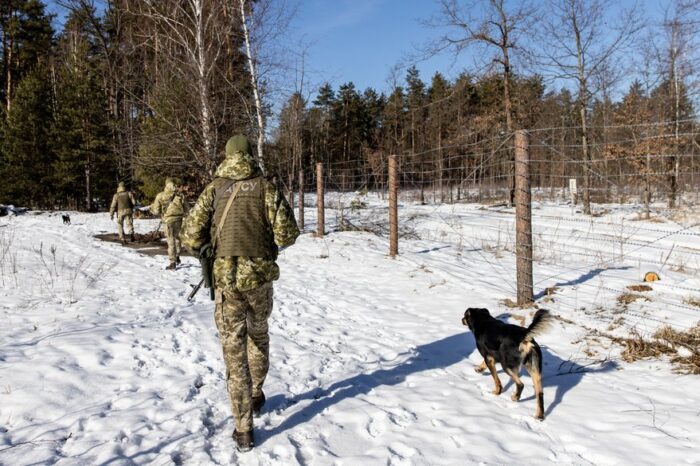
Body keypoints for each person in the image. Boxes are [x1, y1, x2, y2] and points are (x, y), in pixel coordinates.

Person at [180, 135, 299, 452]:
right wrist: (268, 244)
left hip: (227, 282)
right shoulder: (265, 187)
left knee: (234, 350)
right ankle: (257, 392)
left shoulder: (214, 188)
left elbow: (190, 235)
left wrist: (206, 246)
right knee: (258, 335)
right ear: (249, 155)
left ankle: (243, 428)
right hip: (259, 280)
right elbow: (288, 233)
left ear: (228, 156)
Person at [151, 178, 188, 270]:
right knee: (178, 238)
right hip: (179, 219)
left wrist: (151, 209)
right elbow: (187, 208)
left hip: (168, 220)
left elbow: (156, 211)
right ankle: (178, 255)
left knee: (171, 241)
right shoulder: (180, 195)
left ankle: (172, 262)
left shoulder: (160, 196)